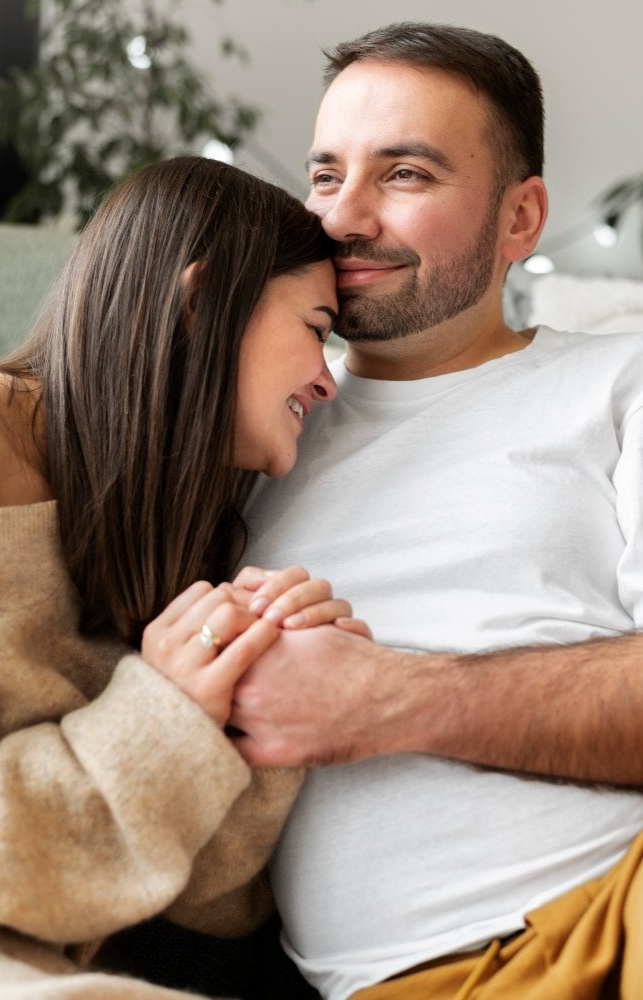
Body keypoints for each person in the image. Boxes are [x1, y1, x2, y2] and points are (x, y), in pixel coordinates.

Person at [219, 21, 643, 1000]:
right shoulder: (248, 421)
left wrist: (388, 699)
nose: (342, 217)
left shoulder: (618, 383)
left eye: (403, 174)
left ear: (518, 218)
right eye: (325, 176)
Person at [0, 155, 370, 998]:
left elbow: (203, 908)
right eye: (314, 327)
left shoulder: (181, 528)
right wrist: (163, 710)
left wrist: (262, 709)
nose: (326, 381)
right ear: (199, 304)